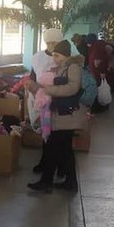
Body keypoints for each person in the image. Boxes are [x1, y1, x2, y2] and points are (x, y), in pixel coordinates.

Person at [26, 40, 87, 192]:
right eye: (53, 55)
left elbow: (72, 88)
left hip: (67, 115)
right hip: (62, 115)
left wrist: (48, 90)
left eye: (57, 55)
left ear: (66, 55)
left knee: (54, 148)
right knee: (64, 150)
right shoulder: (63, 68)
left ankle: (47, 182)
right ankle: (70, 182)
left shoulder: (73, 67)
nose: (54, 58)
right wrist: (38, 88)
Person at [29, 28, 63, 173]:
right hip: (42, 100)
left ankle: (60, 166)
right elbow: (32, 77)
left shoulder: (65, 58)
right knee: (45, 132)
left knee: (58, 134)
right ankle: (45, 162)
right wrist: (33, 89)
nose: (51, 46)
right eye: (48, 43)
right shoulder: (37, 57)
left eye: (54, 43)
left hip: (59, 100)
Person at [86, 33, 113, 113]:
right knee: (101, 89)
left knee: (98, 89)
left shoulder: (97, 47)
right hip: (99, 72)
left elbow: (98, 61)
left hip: (98, 73)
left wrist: (102, 71)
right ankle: (103, 106)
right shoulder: (99, 45)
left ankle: (98, 108)